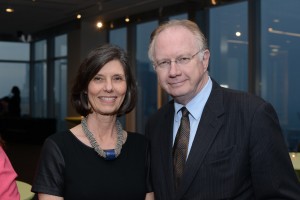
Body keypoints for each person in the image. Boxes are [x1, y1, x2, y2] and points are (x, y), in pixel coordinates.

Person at [145, 19, 300, 199]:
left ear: (205, 59)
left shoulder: (252, 114)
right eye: (163, 62)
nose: (173, 71)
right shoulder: (155, 124)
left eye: (183, 59)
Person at [31, 44, 154, 200]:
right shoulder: (58, 147)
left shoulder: (142, 147)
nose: (109, 87)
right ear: (84, 88)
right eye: (98, 78)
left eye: (117, 78)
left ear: (127, 88)